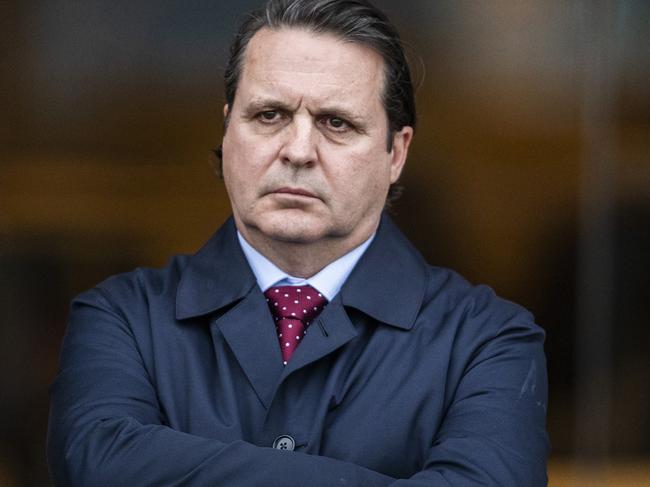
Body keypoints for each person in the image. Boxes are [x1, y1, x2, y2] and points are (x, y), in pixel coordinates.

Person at [47, 0, 549, 485]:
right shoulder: (122, 320)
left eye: (336, 123)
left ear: (395, 153)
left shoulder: (487, 342)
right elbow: (99, 464)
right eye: (270, 115)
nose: (298, 150)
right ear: (227, 131)